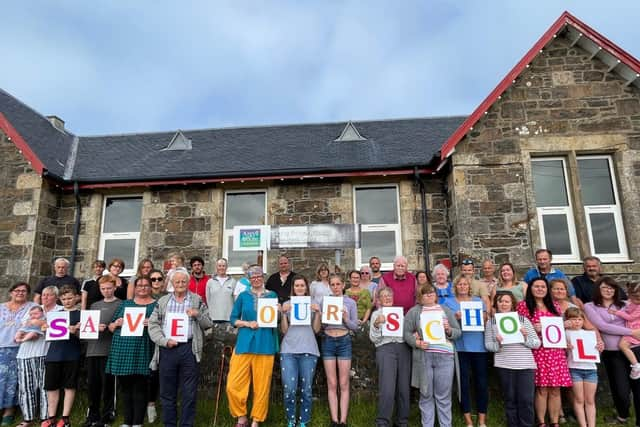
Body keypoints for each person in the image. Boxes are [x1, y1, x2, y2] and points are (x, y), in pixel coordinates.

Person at [149, 270, 213, 427]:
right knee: (167, 391)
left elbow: (208, 323)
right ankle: (169, 424)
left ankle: (186, 424)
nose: (180, 285)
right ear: (172, 283)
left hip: (189, 349)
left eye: (183, 282)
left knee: (189, 391)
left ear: (188, 282)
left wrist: (198, 314)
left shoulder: (197, 300)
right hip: (167, 349)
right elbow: (153, 324)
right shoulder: (163, 301)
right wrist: (163, 341)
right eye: (177, 282)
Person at [227, 266, 279, 427]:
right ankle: (241, 416)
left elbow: (275, 321)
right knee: (233, 384)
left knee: (262, 385)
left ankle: (256, 420)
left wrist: (278, 311)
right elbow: (233, 319)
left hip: (265, 344)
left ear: (263, 277)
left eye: (258, 276)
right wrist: (247, 323)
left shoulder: (272, 295)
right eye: (252, 277)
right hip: (244, 343)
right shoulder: (243, 296)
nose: (256, 279)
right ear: (249, 279)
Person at [584, 277, 640, 425]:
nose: (608, 290)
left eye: (612, 288)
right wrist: (632, 332)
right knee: (620, 388)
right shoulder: (590, 306)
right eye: (604, 288)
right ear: (598, 289)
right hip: (612, 353)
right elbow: (602, 326)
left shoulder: (625, 304)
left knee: (638, 386)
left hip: (634, 348)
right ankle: (623, 415)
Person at [517, 277, 572, 427]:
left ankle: (554, 422)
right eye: (536, 286)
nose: (540, 289)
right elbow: (520, 329)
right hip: (538, 351)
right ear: (531, 288)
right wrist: (533, 328)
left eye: (543, 286)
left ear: (547, 290)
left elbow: (557, 328)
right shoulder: (523, 306)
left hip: (556, 351)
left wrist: (564, 325)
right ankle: (541, 422)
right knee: (542, 388)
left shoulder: (554, 306)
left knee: (555, 388)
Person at [404, 284, 461, 427]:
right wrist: (416, 342)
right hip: (424, 357)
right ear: (420, 297)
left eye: (432, 292)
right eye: (425, 293)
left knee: (443, 396)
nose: (429, 295)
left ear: (436, 295)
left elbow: (458, 332)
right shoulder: (414, 312)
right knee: (426, 394)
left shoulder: (445, 310)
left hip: (445, 357)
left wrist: (448, 330)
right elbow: (405, 333)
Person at [105, 277, 157, 427]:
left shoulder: (156, 305)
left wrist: (152, 323)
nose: (142, 288)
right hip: (123, 348)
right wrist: (116, 323)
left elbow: (163, 324)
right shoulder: (125, 304)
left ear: (151, 287)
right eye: (139, 285)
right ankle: (127, 422)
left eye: (146, 285)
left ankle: (137, 423)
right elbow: (111, 327)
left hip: (143, 347)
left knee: (140, 386)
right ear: (134, 288)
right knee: (126, 387)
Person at [485, 290, 540, 427]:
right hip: (504, 365)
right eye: (500, 301)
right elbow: (488, 345)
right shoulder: (491, 322)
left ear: (512, 304)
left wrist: (524, 338)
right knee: (510, 400)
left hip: (525, 366)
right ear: (496, 304)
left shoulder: (523, 320)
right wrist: (498, 343)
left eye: (506, 301)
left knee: (526, 400)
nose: (503, 304)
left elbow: (537, 343)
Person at [443, 275, 488, 427]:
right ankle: (468, 418)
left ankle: (482, 419)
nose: (462, 287)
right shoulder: (448, 303)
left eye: (465, 284)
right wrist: (455, 318)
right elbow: (445, 323)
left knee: (481, 382)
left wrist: (482, 316)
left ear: (469, 287)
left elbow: (486, 318)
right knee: (463, 383)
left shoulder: (478, 301)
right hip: (460, 347)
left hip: (479, 346)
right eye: (459, 284)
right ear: (455, 287)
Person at [279, 275, 321, 427]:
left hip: (309, 350)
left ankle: (303, 420)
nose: (300, 288)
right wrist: (283, 314)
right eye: (297, 286)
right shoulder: (287, 304)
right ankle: (291, 419)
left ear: (306, 287)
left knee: (306, 389)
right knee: (289, 389)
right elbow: (284, 330)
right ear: (293, 288)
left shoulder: (314, 304)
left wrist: (317, 313)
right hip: (288, 350)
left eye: (302, 285)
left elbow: (316, 330)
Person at [16, 286, 60, 427]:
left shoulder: (59, 310)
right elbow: (23, 325)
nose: (45, 297)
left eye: (49, 295)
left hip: (44, 352)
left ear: (55, 297)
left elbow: (59, 329)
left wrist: (40, 323)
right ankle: (27, 418)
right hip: (25, 352)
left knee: (44, 386)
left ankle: (45, 417)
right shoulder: (34, 309)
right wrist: (21, 333)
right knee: (26, 386)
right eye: (43, 295)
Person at [82, 275, 121, 427]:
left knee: (108, 385)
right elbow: (87, 329)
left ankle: (107, 416)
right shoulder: (94, 305)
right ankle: (92, 416)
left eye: (109, 288)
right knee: (92, 385)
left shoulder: (122, 304)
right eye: (103, 288)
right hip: (92, 350)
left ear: (114, 288)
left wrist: (113, 325)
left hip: (110, 350)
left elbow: (124, 325)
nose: (106, 291)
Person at [369, 287, 411, 427]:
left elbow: (407, 334)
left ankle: (402, 421)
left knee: (404, 387)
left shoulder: (400, 314)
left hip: (403, 348)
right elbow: (374, 339)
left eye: (389, 296)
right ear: (379, 300)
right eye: (384, 296)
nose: (387, 298)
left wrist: (413, 335)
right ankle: (383, 422)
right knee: (387, 388)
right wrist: (376, 325)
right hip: (385, 348)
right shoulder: (376, 314)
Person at [321, 273, 359, 427]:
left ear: (343, 285)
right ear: (329, 286)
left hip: (344, 340)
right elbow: (322, 327)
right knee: (332, 382)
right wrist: (322, 317)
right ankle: (334, 420)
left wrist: (345, 319)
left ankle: (343, 420)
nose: (336, 287)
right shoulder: (326, 302)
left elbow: (355, 327)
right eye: (333, 284)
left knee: (343, 383)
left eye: (338, 284)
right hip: (328, 340)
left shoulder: (350, 303)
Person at [41, 285, 81, 427]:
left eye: (70, 298)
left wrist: (75, 331)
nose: (67, 301)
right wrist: (45, 328)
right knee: (51, 386)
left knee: (69, 386)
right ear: (60, 300)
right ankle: (51, 417)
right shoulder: (55, 314)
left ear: (76, 297)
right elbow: (49, 335)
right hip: (54, 354)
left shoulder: (81, 314)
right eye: (63, 299)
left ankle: (65, 417)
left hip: (72, 354)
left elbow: (86, 336)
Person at [0, 282, 35, 427]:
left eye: (24, 291)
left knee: (13, 382)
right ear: (11, 292)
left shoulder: (32, 307)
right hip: (1, 347)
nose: (20, 293)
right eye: (17, 290)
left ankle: (9, 411)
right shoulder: (1, 307)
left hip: (19, 348)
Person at [564, 307, 602, 427]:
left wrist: (599, 348)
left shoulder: (590, 334)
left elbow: (596, 353)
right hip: (574, 369)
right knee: (579, 399)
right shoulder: (565, 333)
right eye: (574, 319)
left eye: (580, 319)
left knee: (590, 400)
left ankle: (591, 425)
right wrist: (565, 347)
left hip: (590, 369)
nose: (577, 322)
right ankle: (582, 424)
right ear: (567, 320)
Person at [609, 282, 640, 378]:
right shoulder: (631, 302)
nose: (635, 300)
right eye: (633, 297)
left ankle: (636, 365)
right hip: (631, 328)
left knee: (622, 345)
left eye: (637, 298)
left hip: (634, 329)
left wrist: (617, 312)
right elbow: (627, 308)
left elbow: (630, 317)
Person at [146, 269, 166, 423]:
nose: (156, 282)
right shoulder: (143, 297)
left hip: (161, 338)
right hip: (143, 337)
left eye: (159, 279)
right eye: (153, 279)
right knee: (145, 371)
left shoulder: (167, 297)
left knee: (156, 371)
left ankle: (153, 404)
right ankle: (146, 403)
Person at [205, 258, 237, 322]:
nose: (221, 268)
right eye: (219, 266)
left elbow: (235, 299)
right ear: (216, 267)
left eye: (223, 266)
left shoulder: (233, 282)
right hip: (213, 318)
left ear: (226, 267)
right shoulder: (210, 282)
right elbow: (208, 299)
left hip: (228, 318)